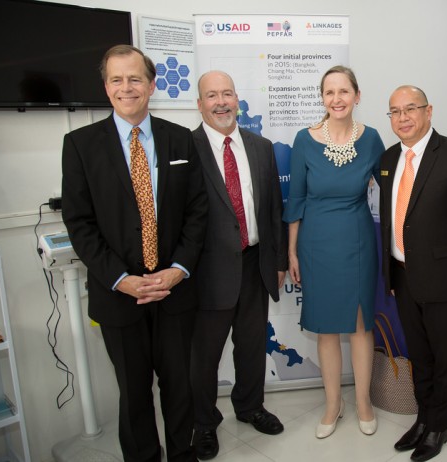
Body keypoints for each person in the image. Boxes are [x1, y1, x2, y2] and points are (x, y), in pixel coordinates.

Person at [61, 45, 208, 462]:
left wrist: (178, 269)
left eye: (135, 78)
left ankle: (182, 455)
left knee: (181, 386)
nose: (126, 87)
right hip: (118, 294)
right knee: (134, 391)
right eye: (116, 79)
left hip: (174, 292)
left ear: (152, 84)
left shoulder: (179, 138)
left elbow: (198, 211)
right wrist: (120, 279)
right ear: (106, 86)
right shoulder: (80, 145)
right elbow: (80, 223)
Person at [379, 85, 447, 462]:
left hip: (445, 278)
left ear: (429, 111)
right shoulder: (388, 159)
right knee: (419, 355)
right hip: (404, 276)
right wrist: (391, 273)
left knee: (445, 356)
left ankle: (439, 426)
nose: (403, 117)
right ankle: (423, 419)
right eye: (395, 112)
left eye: (411, 109)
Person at [189, 71, 288, 460]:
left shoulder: (260, 147)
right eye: (211, 95)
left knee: (250, 345)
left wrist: (278, 259)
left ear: (237, 98)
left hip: (255, 262)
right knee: (205, 354)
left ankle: (250, 407)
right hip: (207, 270)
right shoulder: (185, 146)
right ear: (199, 104)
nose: (221, 102)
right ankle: (204, 421)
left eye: (227, 93)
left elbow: (275, 209)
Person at [283, 65, 385, 439]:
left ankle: (362, 402)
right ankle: (332, 404)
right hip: (315, 245)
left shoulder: (371, 139)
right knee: (326, 329)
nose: (337, 99)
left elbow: (389, 190)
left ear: (357, 96)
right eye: (330, 92)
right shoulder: (304, 139)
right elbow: (296, 200)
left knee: (359, 327)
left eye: (344, 91)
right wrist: (291, 253)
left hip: (357, 241)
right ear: (322, 98)